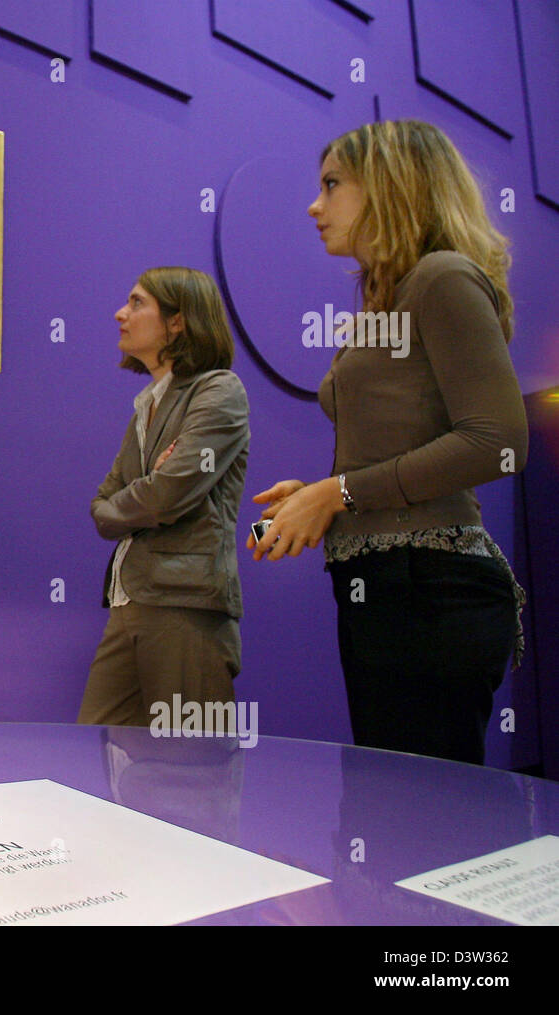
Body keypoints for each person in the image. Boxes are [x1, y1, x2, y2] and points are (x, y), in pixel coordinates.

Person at [248, 119, 528, 765]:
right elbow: (405, 446)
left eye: (332, 184)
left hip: (430, 588)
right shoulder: (392, 299)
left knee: (424, 820)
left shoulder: (442, 277)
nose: (314, 206)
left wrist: (340, 491)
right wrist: (323, 495)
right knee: (389, 813)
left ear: (392, 186)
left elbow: (499, 439)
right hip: (388, 584)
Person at [79, 267, 250, 732]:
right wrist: (150, 488)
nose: (121, 313)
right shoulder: (146, 403)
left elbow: (166, 495)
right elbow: (102, 506)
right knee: (93, 756)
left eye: (137, 303)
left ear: (177, 322)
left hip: (185, 608)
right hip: (129, 601)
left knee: (191, 776)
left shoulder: (219, 391)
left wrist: (151, 491)